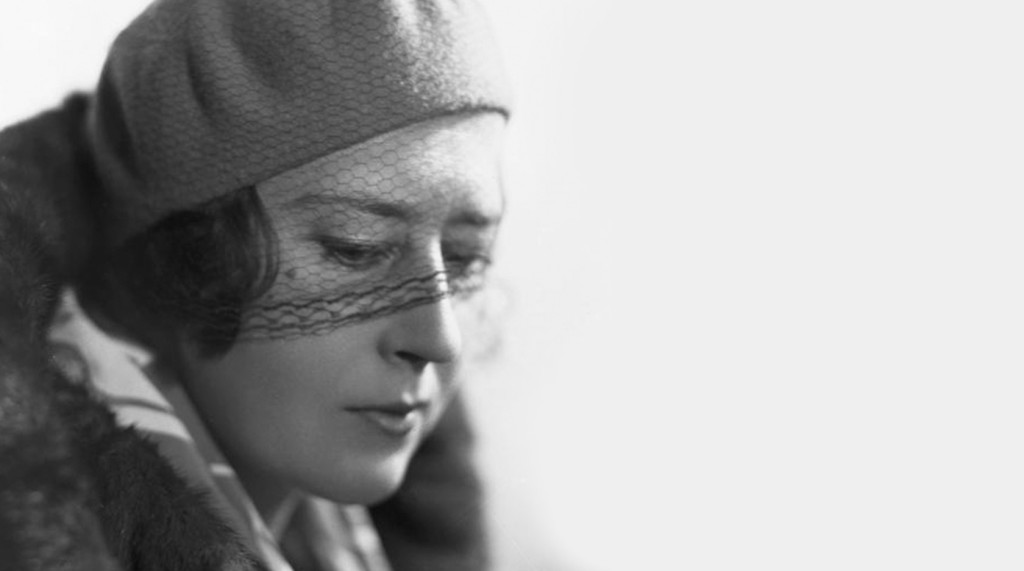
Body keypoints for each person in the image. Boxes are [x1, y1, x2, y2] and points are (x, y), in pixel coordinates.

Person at [0, 0, 512, 569]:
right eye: (356, 247)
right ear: (180, 260)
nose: (441, 340)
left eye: (465, 258)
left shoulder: (353, 540)